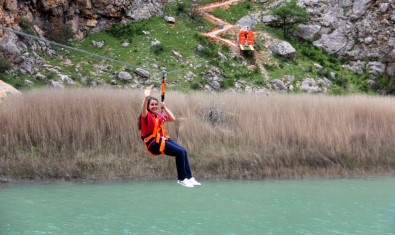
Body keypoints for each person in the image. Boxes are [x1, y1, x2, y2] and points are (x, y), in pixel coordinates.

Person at [138, 86, 201, 188]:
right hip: (153, 143)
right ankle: (181, 179)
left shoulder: (158, 116)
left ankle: (189, 177)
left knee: (183, 151)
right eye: (152, 105)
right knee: (179, 152)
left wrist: (165, 107)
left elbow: (172, 118)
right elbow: (143, 110)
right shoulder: (146, 116)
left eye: (156, 105)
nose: (154, 106)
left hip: (162, 139)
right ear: (148, 106)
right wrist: (146, 98)